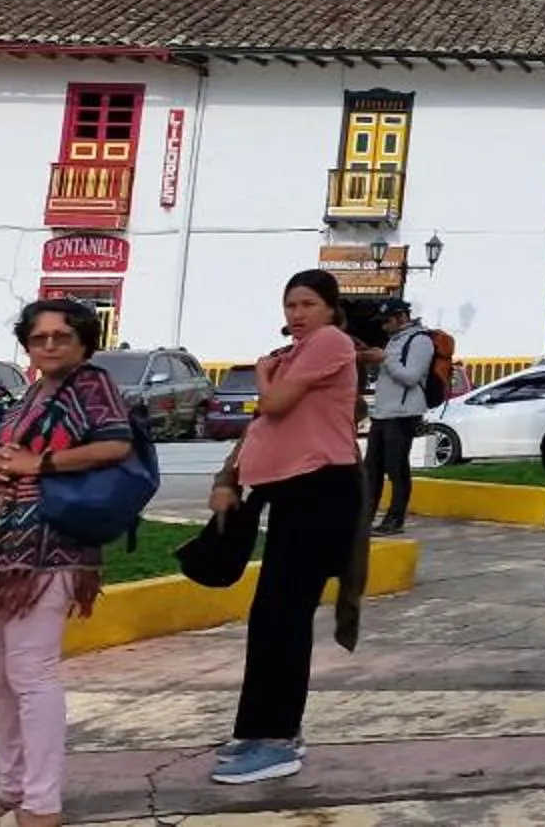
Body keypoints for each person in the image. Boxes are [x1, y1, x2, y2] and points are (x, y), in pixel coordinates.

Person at [0, 300, 136, 827]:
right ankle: (13, 786)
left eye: (62, 335)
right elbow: (14, 454)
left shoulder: (90, 383)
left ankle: (41, 802)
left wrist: (39, 462)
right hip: (5, 547)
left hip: (54, 545)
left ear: (83, 341)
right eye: (40, 337)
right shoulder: (35, 392)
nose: (50, 345)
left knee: (31, 672)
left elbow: (115, 444)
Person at [209, 269, 364, 786]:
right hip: (292, 494)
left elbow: (273, 406)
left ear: (330, 309)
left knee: (286, 615)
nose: (297, 314)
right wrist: (231, 477)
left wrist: (262, 376)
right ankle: (259, 729)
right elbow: (267, 428)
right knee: (270, 615)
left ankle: (276, 741)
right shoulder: (297, 354)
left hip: (321, 492)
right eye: (290, 305)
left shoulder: (330, 342)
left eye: (307, 304)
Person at [365, 303, 434, 537]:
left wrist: (385, 358)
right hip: (382, 413)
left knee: (397, 469)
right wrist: (376, 363)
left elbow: (411, 377)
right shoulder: (393, 341)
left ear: (402, 317)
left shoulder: (420, 341)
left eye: (387, 321)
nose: (384, 326)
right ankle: (365, 518)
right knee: (372, 469)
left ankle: (395, 519)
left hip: (403, 414)